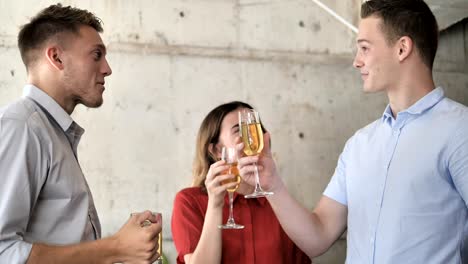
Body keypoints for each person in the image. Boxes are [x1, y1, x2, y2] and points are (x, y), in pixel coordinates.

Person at [238, 0, 468, 263]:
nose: (357, 62)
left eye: (364, 49)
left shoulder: (460, 131)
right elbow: (318, 237)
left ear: (402, 48)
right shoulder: (359, 144)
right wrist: (273, 185)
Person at [0, 4, 161, 263]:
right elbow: (3, 252)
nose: (107, 68)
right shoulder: (22, 127)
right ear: (57, 58)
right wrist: (115, 248)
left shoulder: (51, 131)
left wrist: (122, 246)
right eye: (96, 55)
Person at [171, 101, 311, 264]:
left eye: (254, 128)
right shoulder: (189, 201)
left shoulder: (280, 202)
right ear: (217, 150)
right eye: (240, 130)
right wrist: (215, 206)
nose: (252, 136)